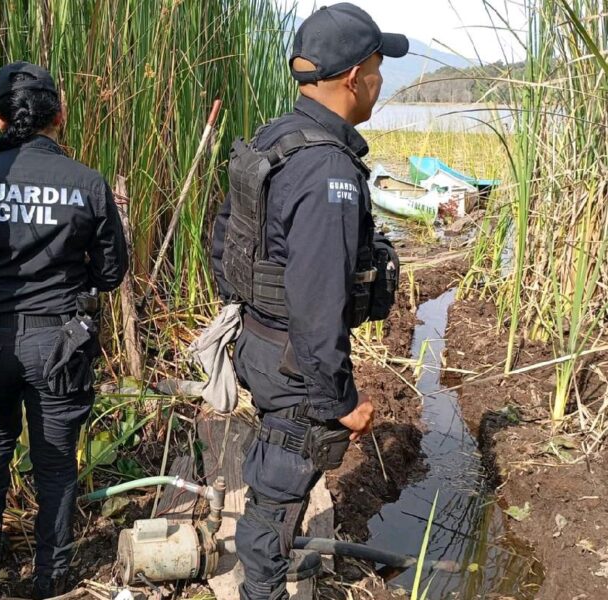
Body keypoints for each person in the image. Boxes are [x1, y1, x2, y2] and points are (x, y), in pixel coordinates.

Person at [211, 5, 407, 598]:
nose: (380, 80)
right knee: (281, 484)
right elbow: (318, 300)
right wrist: (340, 400)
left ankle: (274, 560)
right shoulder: (327, 169)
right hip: (296, 357)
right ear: (352, 77)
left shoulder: (276, 139)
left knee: (280, 465)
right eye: (377, 67)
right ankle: (262, 588)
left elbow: (222, 238)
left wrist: (251, 316)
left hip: (264, 340)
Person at [0, 61, 128, 599]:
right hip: (58, 343)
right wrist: (72, 283)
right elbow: (112, 272)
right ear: (59, 116)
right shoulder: (86, 182)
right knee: (54, 464)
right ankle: (52, 577)